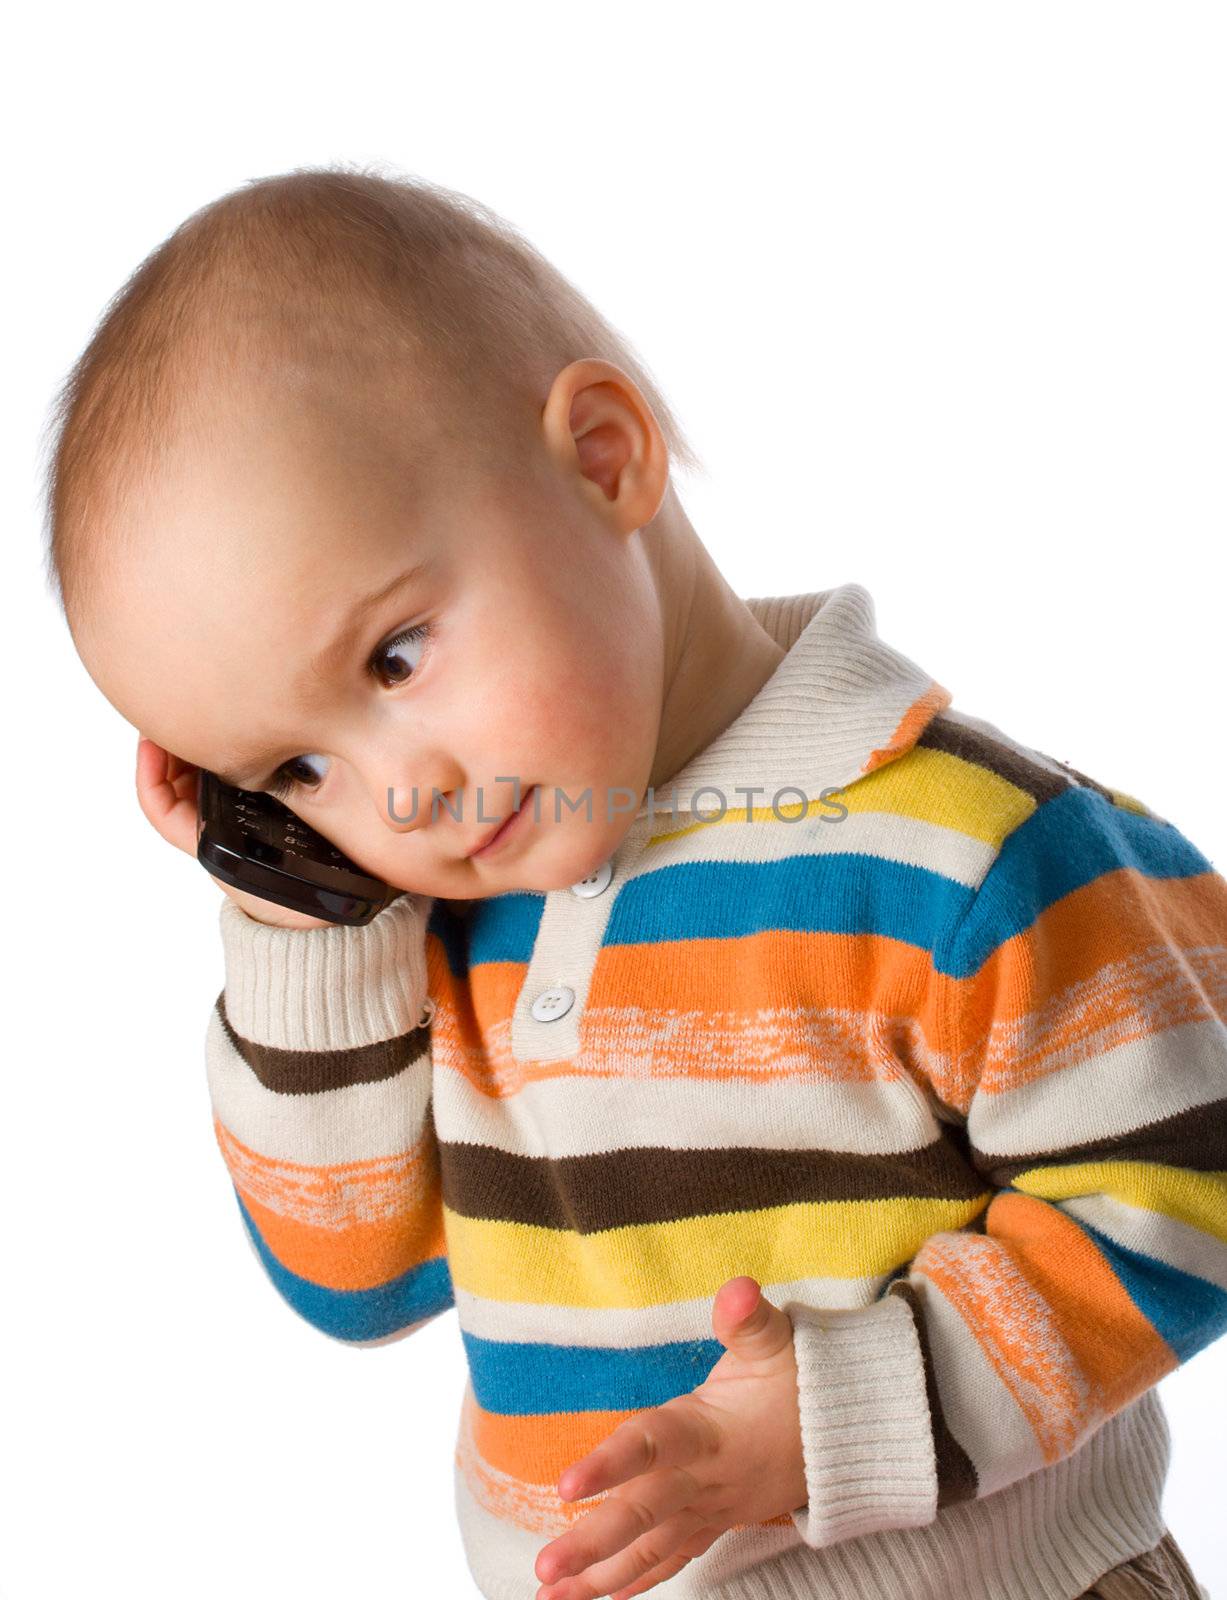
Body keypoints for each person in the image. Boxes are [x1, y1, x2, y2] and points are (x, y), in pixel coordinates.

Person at [44, 165, 1221, 1600]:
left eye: (398, 657)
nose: (396, 793)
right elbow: (356, 1282)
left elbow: (1190, 1178)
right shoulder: (441, 918)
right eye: (293, 769)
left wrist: (834, 1424)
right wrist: (299, 921)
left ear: (605, 459)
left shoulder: (959, 852)